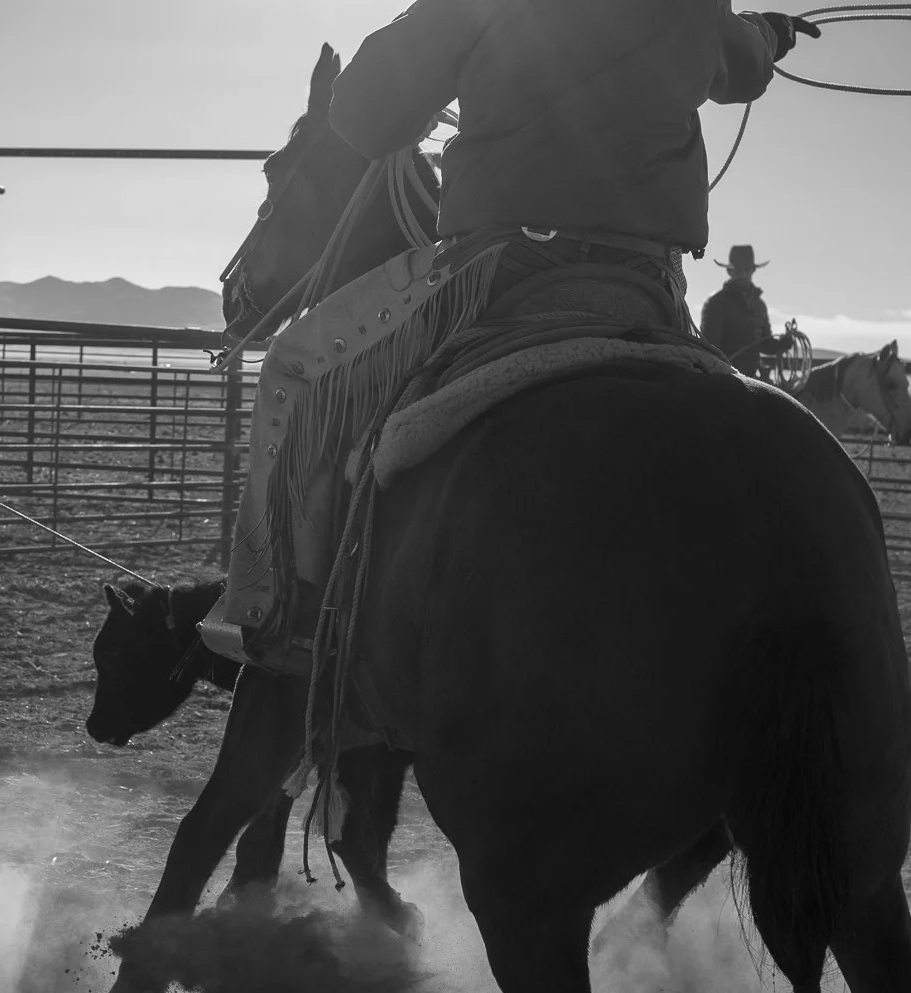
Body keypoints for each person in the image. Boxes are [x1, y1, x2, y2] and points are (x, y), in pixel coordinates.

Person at [210, 3, 820, 669]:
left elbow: (362, 111)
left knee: (295, 368)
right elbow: (743, 62)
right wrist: (772, 32)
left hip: (499, 265)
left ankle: (287, 619)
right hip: (648, 282)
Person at [700, 243, 789, 374]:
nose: (742, 274)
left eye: (746, 269)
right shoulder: (716, 303)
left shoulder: (760, 305)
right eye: (738, 270)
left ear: (753, 270)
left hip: (752, 377)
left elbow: (765, 343)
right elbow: (709, 349)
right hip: (725, 377)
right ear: (729, 271)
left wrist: (781, 344)